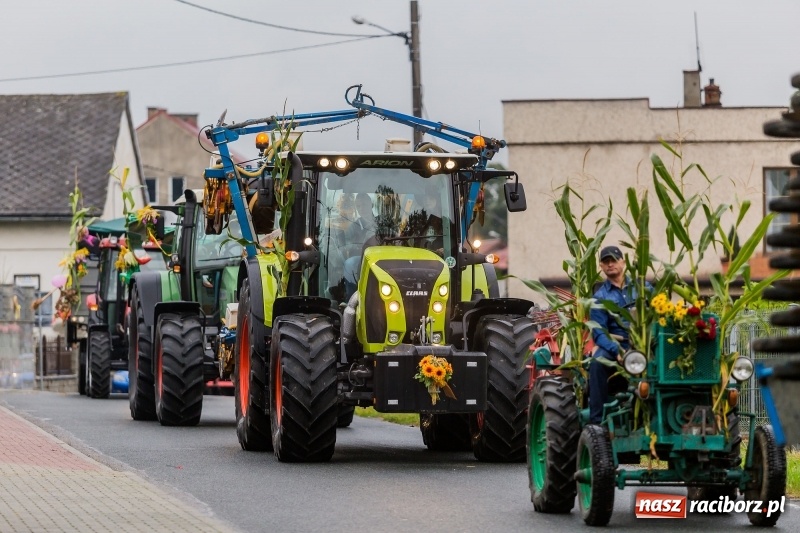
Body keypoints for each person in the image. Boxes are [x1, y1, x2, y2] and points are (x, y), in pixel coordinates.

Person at [588, 245, 650, 425]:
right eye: (606, 261)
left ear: (623, 262)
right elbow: (599, 333)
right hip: (618, 344)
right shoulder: (599, 298)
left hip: (645, 343)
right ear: (601, 266)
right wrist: (617, 351)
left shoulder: (643, 288)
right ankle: (596, 422)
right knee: (597, 363)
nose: (610, 264)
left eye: (614, 260)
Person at [342, 193, 377, 301]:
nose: (361, 208)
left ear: (371, 205)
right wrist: (357, 247)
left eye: (364, 205)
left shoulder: (382, 222)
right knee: (349, 263)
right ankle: (351, 300)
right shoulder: (354, 226)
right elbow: (347, 245)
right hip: (361, 259)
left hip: (381, 257)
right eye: (358, 206)